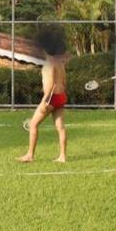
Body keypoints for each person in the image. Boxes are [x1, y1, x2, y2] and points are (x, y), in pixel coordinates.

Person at [18, 28, 68, 164]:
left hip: (51, 98)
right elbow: (63, 82)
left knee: (33, 124)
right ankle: (62, 157)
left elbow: (50, 85)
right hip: (61, 97)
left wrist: (43, 102)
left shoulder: (49, 64)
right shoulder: (60, 64)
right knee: (60, 127)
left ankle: (30, 155)